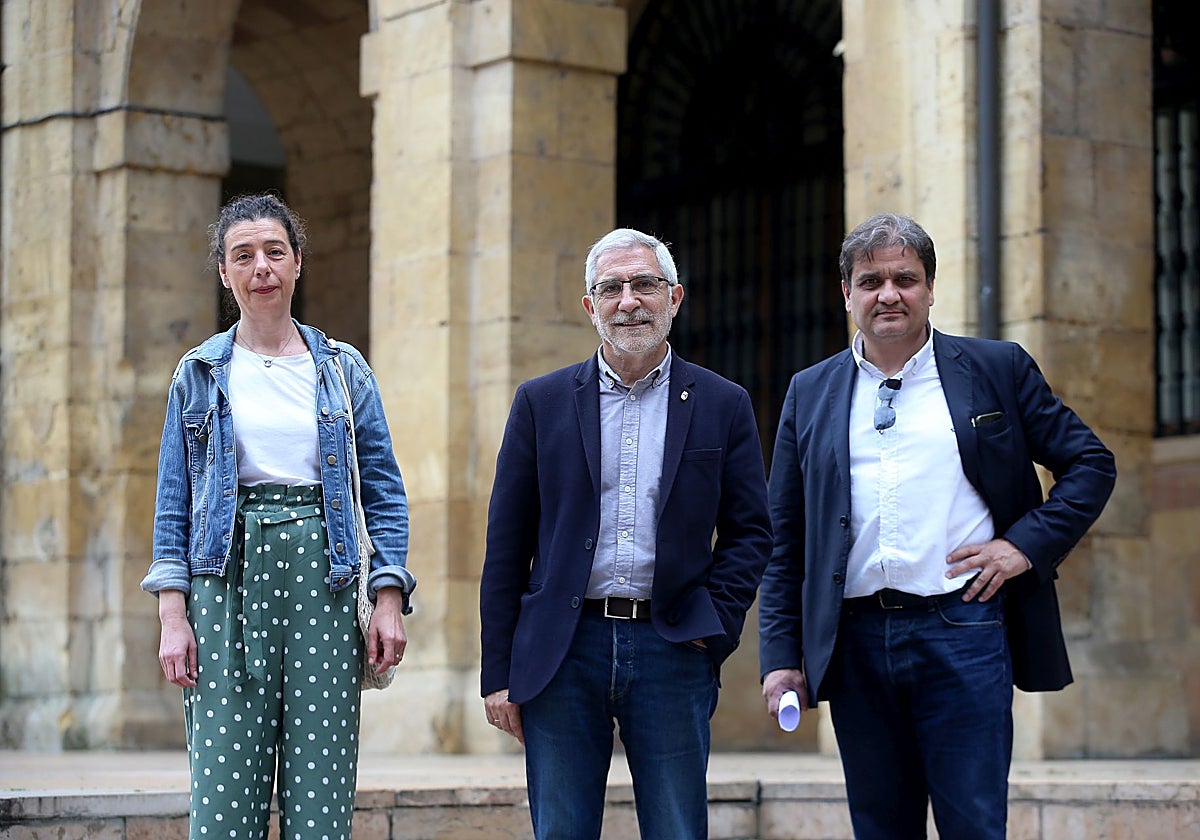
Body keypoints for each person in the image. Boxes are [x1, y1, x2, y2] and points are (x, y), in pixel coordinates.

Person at [758, 212, 1117, 839]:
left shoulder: (996, 369)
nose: (888, 294)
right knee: (881, 828)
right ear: (846, 294)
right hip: (856, 641)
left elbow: (1090, 463)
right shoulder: (809, 391)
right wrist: (782, 656)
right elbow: (785, 537)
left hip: (963, 630)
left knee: (974, 824)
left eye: (905, 278)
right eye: (870, 282)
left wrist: (1021, 547)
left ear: (929, 289)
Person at [480, 228, 773, 839]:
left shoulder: (724, 403)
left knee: (677, 830)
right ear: (590, 307)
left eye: (645, 284)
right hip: (564, 649)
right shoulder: (542, 402)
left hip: (672, 647)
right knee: (561, 831)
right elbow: (507, 543)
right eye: (610, 288)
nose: (628, 300)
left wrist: (711, 627)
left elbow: (750, 533)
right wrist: (498, 670)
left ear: (675, 297)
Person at [140, 192, 416, 840]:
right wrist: (172, 617)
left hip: (327, 580)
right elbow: (173, 502)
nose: (260, 265)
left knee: (320, 800)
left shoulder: (343, 371)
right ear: (224, 272)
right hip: (224, 583)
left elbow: (382, 488)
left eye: (274, 251)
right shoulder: (200, 373)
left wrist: (388, 595)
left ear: (296, 264)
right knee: (223, 803)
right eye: (243, 255)